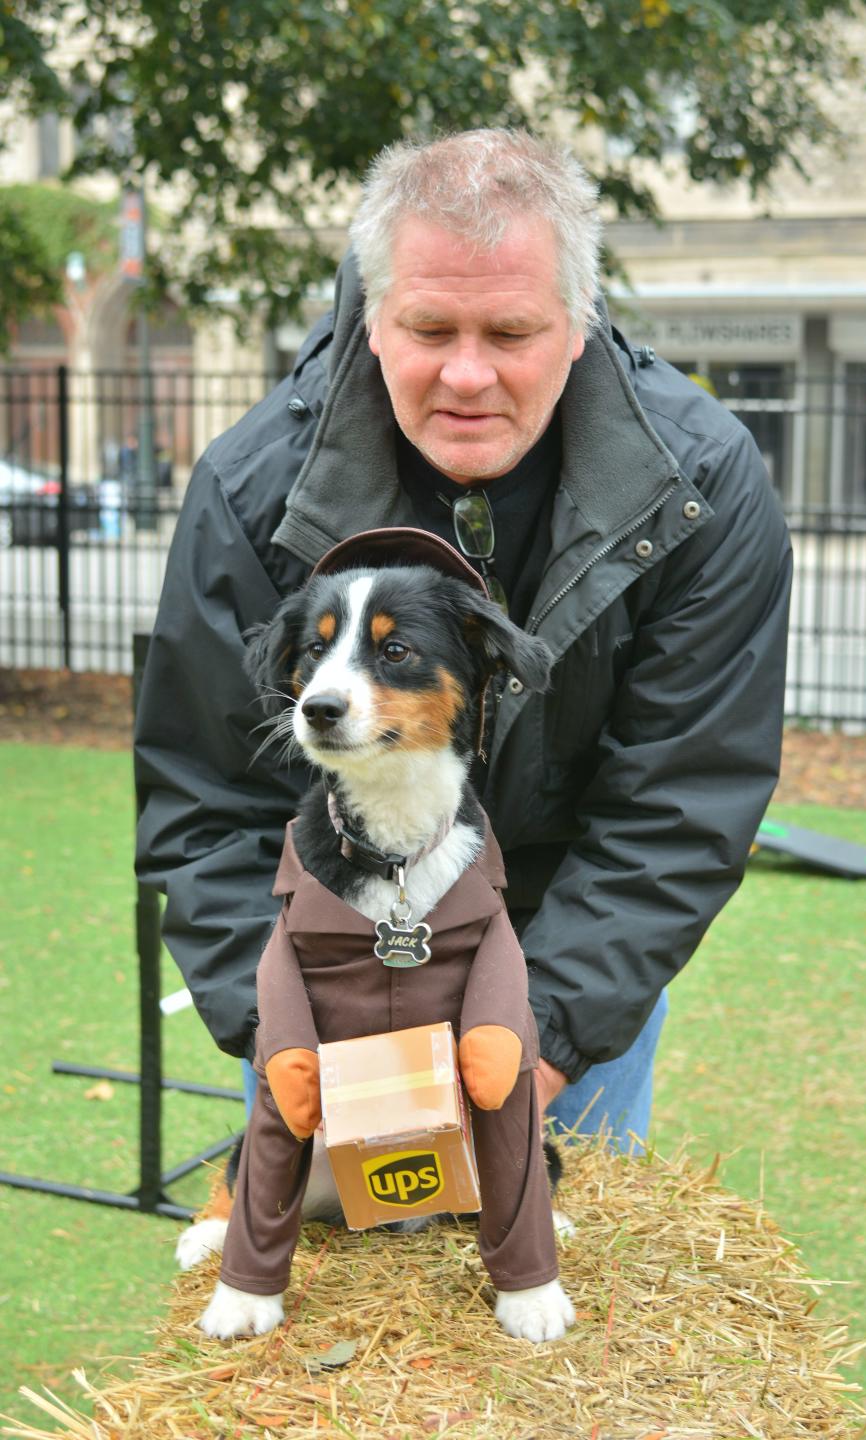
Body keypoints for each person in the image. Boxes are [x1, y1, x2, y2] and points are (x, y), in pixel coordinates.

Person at [135, 129, 792, 1148]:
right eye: (431, 328)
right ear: (374, 317)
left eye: (512, 332)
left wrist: (541, 1044)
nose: (469, 376)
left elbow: (681, 802)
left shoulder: (700, 487)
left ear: (578, 323)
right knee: (325, 1282)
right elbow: (206, 798)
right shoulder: (253, 489)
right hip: (330, 959)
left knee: (547, 1278)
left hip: (559, 945)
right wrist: (292, 1039)